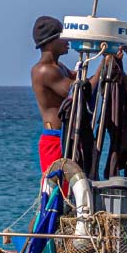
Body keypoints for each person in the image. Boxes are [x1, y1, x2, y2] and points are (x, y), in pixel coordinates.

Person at [30, 15, 75, 178]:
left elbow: (80, 79)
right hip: (54, 140)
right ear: (50, 42)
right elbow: (77, 91)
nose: (67, 40)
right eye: (62, 37)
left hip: (66, 137)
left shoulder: (59, 67)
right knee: (57, 191)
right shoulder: (45, 71)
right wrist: (104, 64)